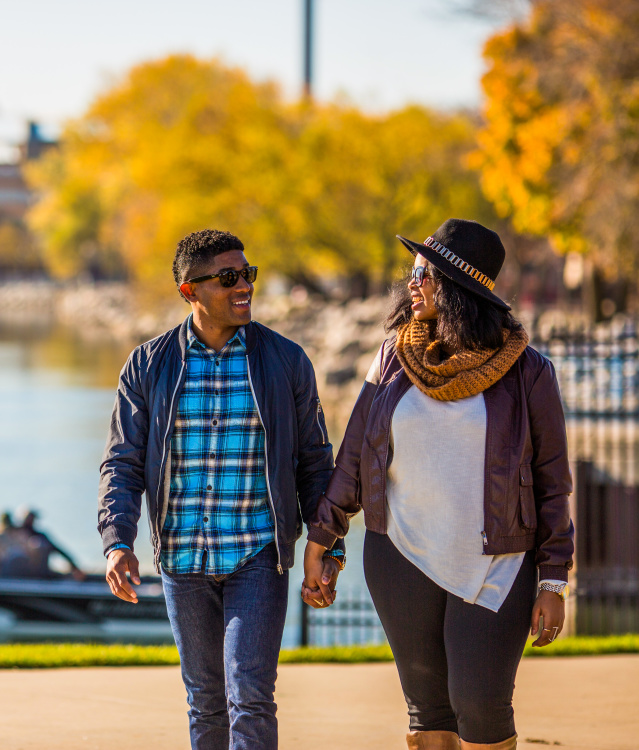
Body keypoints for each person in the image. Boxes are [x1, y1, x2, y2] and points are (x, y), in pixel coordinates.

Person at [302, 219, 574, 750]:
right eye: (413, 269)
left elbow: (552, 484)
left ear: (459, 289)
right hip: (397, 555)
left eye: (425, 272)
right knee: (427, 714)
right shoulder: (392, 357)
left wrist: (553, 580)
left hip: (497, 561)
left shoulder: (529, 373)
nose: (412, 281)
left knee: (482, 705)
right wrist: (323, 538)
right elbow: (354, 457)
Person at [98, 229, 342, 750]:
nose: (244, 287)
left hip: (257, 555)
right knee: (204, 701)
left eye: (247, 275)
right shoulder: (148, 366)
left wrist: (329, 548)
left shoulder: (285, 361)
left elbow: (316, 464)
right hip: (181, 561)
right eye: (228, 278)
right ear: (190, 291)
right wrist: (118, 541)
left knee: (250, 695)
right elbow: (122, 463)